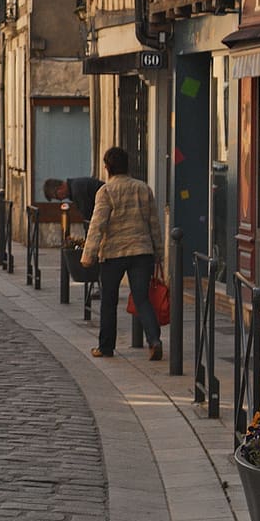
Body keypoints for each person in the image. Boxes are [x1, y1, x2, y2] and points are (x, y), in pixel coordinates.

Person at [80, 145, 163, 361]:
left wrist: (88, 255)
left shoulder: (106, 191)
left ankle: (106, 347)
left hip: (113, 254)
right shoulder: (143, 188)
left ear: (107, 167)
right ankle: (154, 340)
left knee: (109, 301)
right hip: (142, 251)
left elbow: (97, 225)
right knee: (142, 298)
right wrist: (159, 253)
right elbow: (154, 223)